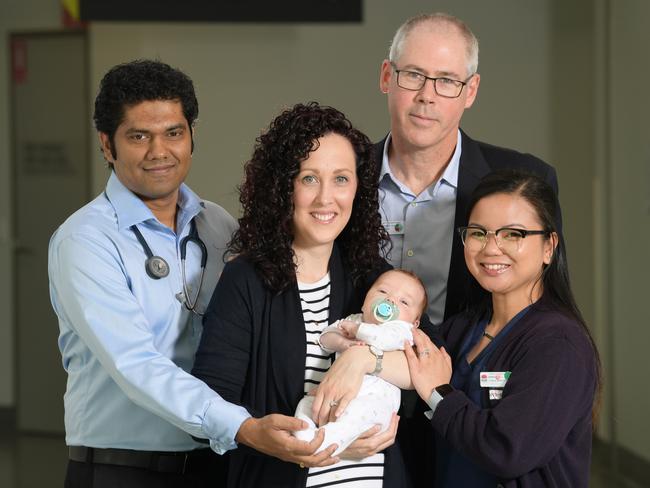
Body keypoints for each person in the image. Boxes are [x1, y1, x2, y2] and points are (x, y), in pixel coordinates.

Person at [48, 61, 335, 488]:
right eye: (139, 136)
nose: (159, 152)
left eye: (173, 133)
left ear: (192, 136)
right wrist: (242, 426)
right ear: (107, 145)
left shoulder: (218, 227)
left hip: (217, 464)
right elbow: (137, 365)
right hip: (121, 470)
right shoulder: (85, 241)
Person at [368, 12, 566, 483]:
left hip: (470, 418)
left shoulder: (522, 180)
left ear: (471, 91)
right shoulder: (341, 178)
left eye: (447, 81)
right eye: (412, 74)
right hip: (362, 414)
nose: (426, 95)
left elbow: (546, 304)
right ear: (386, 77)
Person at [192, 102, 413, 487]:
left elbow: (432, 369)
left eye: (341, 179)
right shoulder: (245, 280)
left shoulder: (374, 277)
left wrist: (361, 359)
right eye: (309, 178)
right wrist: (261, 433)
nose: (326, 198)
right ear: (282, 187)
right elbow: (211, 405)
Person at [404, 170, 601, 487]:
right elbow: (408, 358)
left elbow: (507, 450)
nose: (491, 248)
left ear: (549, 246)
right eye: (479, 233)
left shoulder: (559, 344)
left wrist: (440, 393)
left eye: (513, 234)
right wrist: (359, 360)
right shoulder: (463, 329)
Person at [293, 269, 428, 455]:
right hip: (335, 395)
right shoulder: (353, 319)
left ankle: (324, 444)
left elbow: (382, 338)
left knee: (357, 415)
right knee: (307, 403)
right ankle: (304, 436)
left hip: (373, 404)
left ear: (415, 323)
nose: (390, 301)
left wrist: (358, 330)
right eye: (382, 292)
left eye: (404, 302)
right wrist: (343, 343)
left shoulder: (403, 332)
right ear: (365, 301)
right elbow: (325, 338)